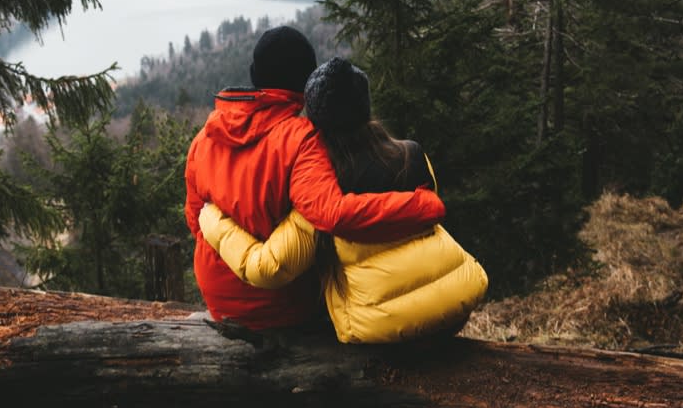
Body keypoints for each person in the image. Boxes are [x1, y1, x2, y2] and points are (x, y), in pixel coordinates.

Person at [197, 57, 488, 343]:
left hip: (379, 330)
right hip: (455, 305)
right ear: (365, 106)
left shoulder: (322, 188)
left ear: (315, 119)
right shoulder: (412, 154)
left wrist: (212, 219)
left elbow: (269, 266)